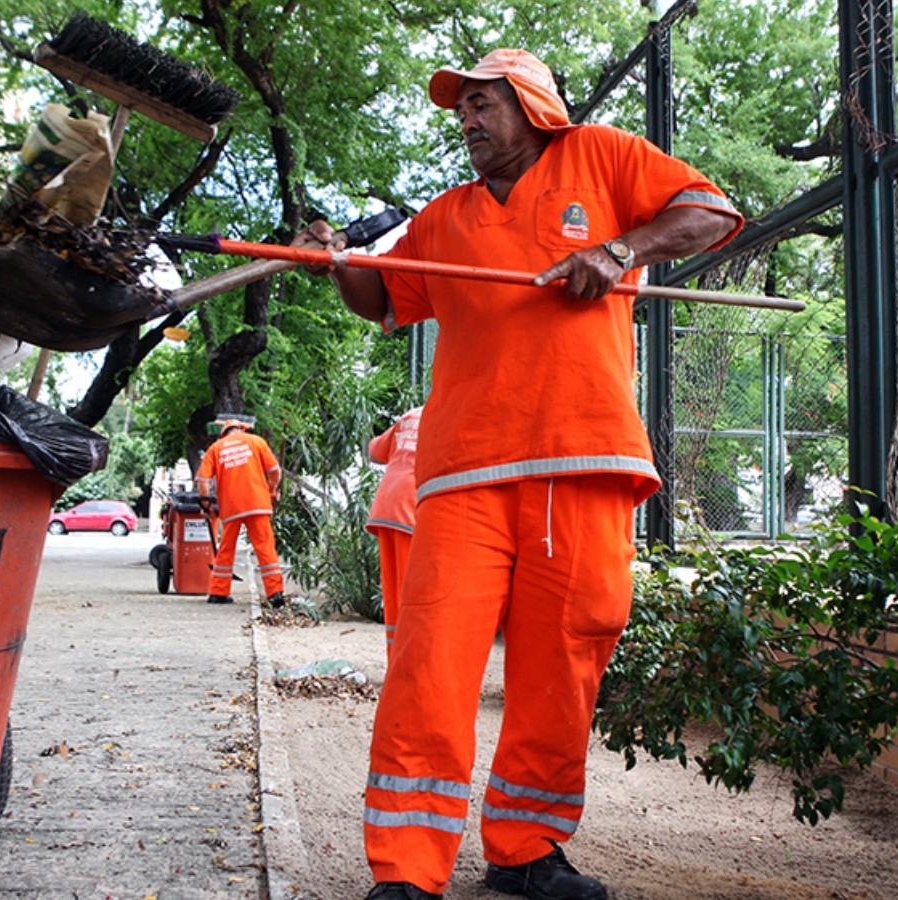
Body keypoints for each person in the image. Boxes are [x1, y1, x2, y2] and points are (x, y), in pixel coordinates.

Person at [296, 48, 744, 900]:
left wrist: (618, 251)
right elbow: (387, 299)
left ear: (532, 105)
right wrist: (334, 263)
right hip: (464, 473)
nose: (466, 122)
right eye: (460, 109)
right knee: (429, 664)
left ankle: (526, 848)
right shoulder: (446, 217)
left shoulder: (602, 157)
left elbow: (711, 211)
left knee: (562, 664)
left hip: (586, 460)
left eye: (481, 105)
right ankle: (405, 871)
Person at [195, 417, 286, 607]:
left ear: (224, 433)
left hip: (231, 507)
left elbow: (203, 481)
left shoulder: (216, 448)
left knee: (226, 549)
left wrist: (206, 505)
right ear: (242, 430)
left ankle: (218, 592)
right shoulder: (257, 442)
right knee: (265, 548)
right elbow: (275, 470)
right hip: (257, 504)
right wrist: (272, 489)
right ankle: (275, 594)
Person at [365, 405, 424, 657]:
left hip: (386, 506)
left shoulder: (411, 416)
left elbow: (374, 451)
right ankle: (407, 664)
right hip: (410, 506)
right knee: (412, 592)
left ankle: (395, 664)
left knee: (393, 591)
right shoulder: (447, 414)